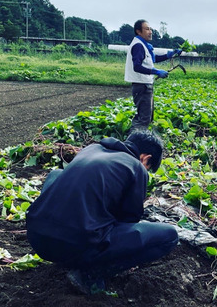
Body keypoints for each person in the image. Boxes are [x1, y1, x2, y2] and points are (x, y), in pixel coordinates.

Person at [26, 130, 179, 295]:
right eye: (148, 168)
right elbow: (129, 220)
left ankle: (64, 254)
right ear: (145, 158)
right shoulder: (136, 167)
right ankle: (91, 274)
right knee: (170, 236)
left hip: (37, 239)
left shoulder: (91, 149)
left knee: (56, 174)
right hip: (74, 246)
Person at [125, 19, 182, 131]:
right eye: (147, 29)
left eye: (150, 28)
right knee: (143, 119)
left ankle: (138, 140)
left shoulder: (143, 45)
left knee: (147, 117)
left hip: (144, 85)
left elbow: (152, 60)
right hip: (141, 85)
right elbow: (137, 66)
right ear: (138, 31)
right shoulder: (138, 46)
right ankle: (133, 143)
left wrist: (169, 55)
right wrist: (156, 72)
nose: (150, 31)